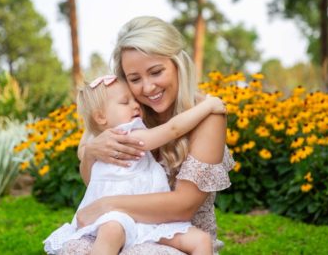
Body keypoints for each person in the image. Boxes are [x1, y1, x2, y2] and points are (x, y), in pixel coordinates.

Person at [62, 16, 235, 255]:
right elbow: (98, 179)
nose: (147, 88)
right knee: (77, 247)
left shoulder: (207, 114)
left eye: (156, 72)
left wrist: (105, 206)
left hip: (180, 236)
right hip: (122, 228)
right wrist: (91, 153)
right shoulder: (127, 113)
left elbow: (183, 207)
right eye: (134, 79)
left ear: (177, 64)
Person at [44, 74, 226, 255]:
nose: (136, 105)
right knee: (111, 232)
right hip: (119, 218)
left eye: (134, 100)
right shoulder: (127, 137)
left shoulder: (110, 138)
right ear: (100, 117)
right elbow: (173, 129)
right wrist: (207, 106)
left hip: (152, 219)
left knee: (201, 240)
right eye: (125, 102)